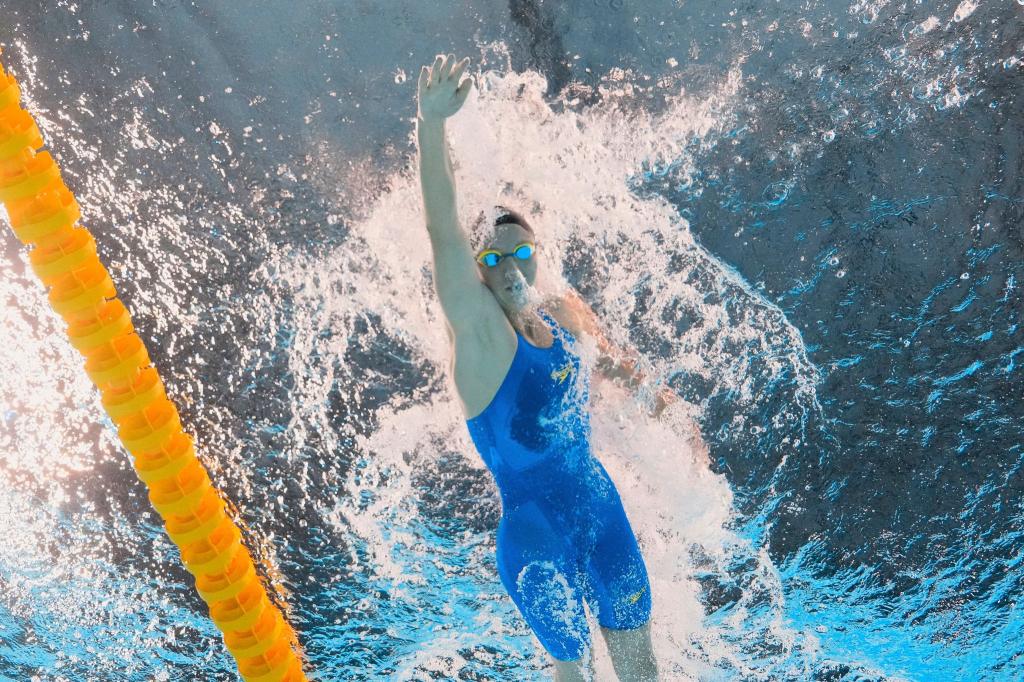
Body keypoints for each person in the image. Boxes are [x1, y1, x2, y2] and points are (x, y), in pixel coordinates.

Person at [416, 53, 690, 682]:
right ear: (478, 267)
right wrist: (431, 125)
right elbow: (442, 232)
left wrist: (666, 411)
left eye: (522, 249)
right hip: (536, 539)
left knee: (642, 670)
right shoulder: (479, 335)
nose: (510, 262)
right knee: (575, 674)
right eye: (494, 254)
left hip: (602, 511)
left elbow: (617, 367)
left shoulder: (565, 314)